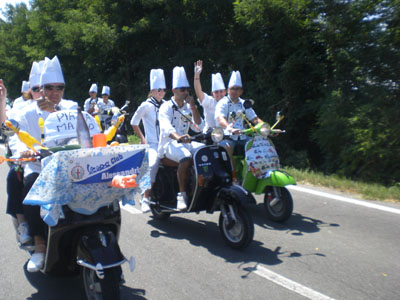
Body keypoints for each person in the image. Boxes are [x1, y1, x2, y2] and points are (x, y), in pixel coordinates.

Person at [14, 56, 78, 272]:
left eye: (59, 87)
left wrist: (55, 111)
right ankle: (40, 245)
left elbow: (81, 128)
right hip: (38, 165)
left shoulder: (71, 106)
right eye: (49, 87)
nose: (54, 92)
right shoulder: (26, 111)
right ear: (40, 89)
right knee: (31, 188)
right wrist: (20, 149)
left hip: (68, 163)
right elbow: (12, 134)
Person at [5, 60, 45, 246]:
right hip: (33, 161)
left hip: (62, 162)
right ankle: (34, 238)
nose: (42, 92)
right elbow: (13, 133)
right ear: (30, 90)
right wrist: (22, 150)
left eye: (50, 87)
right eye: (37, 88)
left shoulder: (65, 107)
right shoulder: (22, 109)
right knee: (18, 179)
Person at [158, 66, 203, 210]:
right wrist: (178, 137)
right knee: (186, 157)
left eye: (186, 89)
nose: (185, 92)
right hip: (169, 145)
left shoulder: (187, 107)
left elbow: (198, 126)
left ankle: (200, 185)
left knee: (205, 150)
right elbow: (166, 127)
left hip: (186, 142)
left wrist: (193, 106)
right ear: (174, 91)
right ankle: (182, 195)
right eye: (182, 89)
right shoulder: (165, 107)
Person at [131, 69, 166, 213]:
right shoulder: (146, 105)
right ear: (152, 91)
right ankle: (145, 197)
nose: (161, 92)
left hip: (166, 143)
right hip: (152, 143)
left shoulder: (166, 105)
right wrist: (142, 138)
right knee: (152, 165)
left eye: (163, 89)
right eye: (158, 90)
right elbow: (134, 122)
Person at [215, 70, 264, 156]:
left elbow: (254, 119)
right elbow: (220, 118)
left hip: (243, 137)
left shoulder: (244, 103)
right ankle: (232, 169)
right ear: (228, 91)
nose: (234, 91)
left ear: (241, 91)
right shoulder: (223, 103)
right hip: (227, 137)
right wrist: (229, 128)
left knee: (258, 144)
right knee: (227, 148)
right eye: (232, 89)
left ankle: (254, 168)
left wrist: (266, 127)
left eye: (237, 89)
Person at [193, 60, 226, 132]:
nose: (219, 94)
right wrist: (197, 76)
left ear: (225, 92)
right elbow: (198, 92)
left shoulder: (229, 102)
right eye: (216, 92)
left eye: (221, 91)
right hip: (210, 134)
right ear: (212, 94)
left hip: (227, 134)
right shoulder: (209, 101)